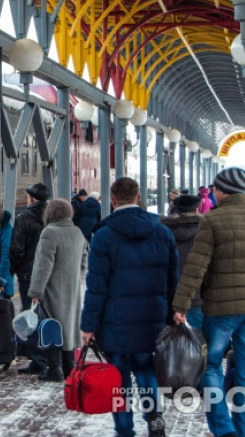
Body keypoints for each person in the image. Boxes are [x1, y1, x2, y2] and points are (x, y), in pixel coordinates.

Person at [172, 167, 245, 437]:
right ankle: (242, 432)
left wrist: (181, 305)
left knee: (210, 366)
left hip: (220, 309)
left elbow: (196, 267)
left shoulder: (212, 221)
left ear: (222, 190)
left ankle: (224, 429)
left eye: (216, 189)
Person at [80, 177, 178, 437]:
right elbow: (172, 279)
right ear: (138, 197)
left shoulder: (103, 236)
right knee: (146, 369)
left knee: (119, 380)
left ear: (112, 200)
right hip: (152, 317)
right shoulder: (162, 232)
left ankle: (124, 429)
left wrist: (89, 325)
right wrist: (172, 314)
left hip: (116, 322)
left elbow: (96, 286)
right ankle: (153, 416)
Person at [28, 199, 88, 382]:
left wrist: (36, 292)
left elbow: (42, 266)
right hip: (72, 288)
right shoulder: (77, 232)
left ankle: (54, 369)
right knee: (69, 325)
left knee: (52, 326)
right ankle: (69, 365)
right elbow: (85, 259)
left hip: (52, 288)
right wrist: (75, 274)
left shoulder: (49, 232)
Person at [160, 194, 203, 329]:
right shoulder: (205, 231)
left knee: (172, 343)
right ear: (196, 210)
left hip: (168, 296)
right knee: (199, 343)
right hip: (198, 296)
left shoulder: (162, 231)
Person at [10, 183, 51, 313]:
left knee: (29, 313)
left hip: (27, 275)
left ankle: (33, 334)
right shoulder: (52, 218)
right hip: (48, 272)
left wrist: (13, 270)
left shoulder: (22, 219)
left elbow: (16, 250)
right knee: (47, 313)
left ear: (32, 199)